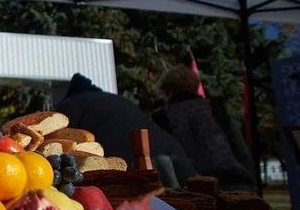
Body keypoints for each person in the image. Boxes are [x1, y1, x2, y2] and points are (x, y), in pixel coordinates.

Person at [55, 73, 196, 188]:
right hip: (174, 156)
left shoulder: (71, 105)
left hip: (140, 164)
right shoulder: (115, 99)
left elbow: (60, 143)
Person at [152, 66, 255, 189]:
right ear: (195, 86)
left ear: (167, 90)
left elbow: (163, 162)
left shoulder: (162, 119)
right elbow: (241, 149)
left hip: (193, 188)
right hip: (233, 180)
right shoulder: (215, 108)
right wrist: (250, 179)